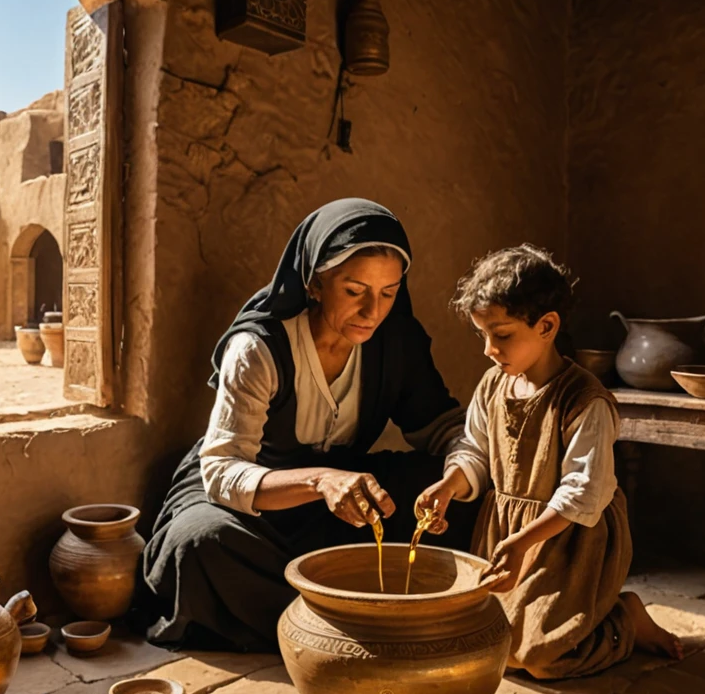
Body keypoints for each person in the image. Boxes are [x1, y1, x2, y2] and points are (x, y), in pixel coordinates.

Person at [141, 198, 479, 652]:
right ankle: (351, 628)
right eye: (355, 291)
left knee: (465, 493)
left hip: (339, 498)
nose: (372, 311)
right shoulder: (259, 348)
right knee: (200, 542)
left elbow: (447, 430)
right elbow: (221, 470)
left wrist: (454, 479)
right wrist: (320, 481)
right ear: (316, 284)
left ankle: (337, 612)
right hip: (250, 504)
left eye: (388, 293)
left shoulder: (396, 343)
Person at [418, 245, 682, 679]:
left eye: (501, 335)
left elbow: (583, 493)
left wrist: (523, 543)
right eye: (482, 335)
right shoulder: (492, 386)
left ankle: (624, 619)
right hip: (507, 537)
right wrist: (449, 485)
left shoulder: (584, 401)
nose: (488, 349)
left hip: (566, 541)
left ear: (546, 326)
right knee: (484, 640)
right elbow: (476, 451)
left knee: (540, 660)